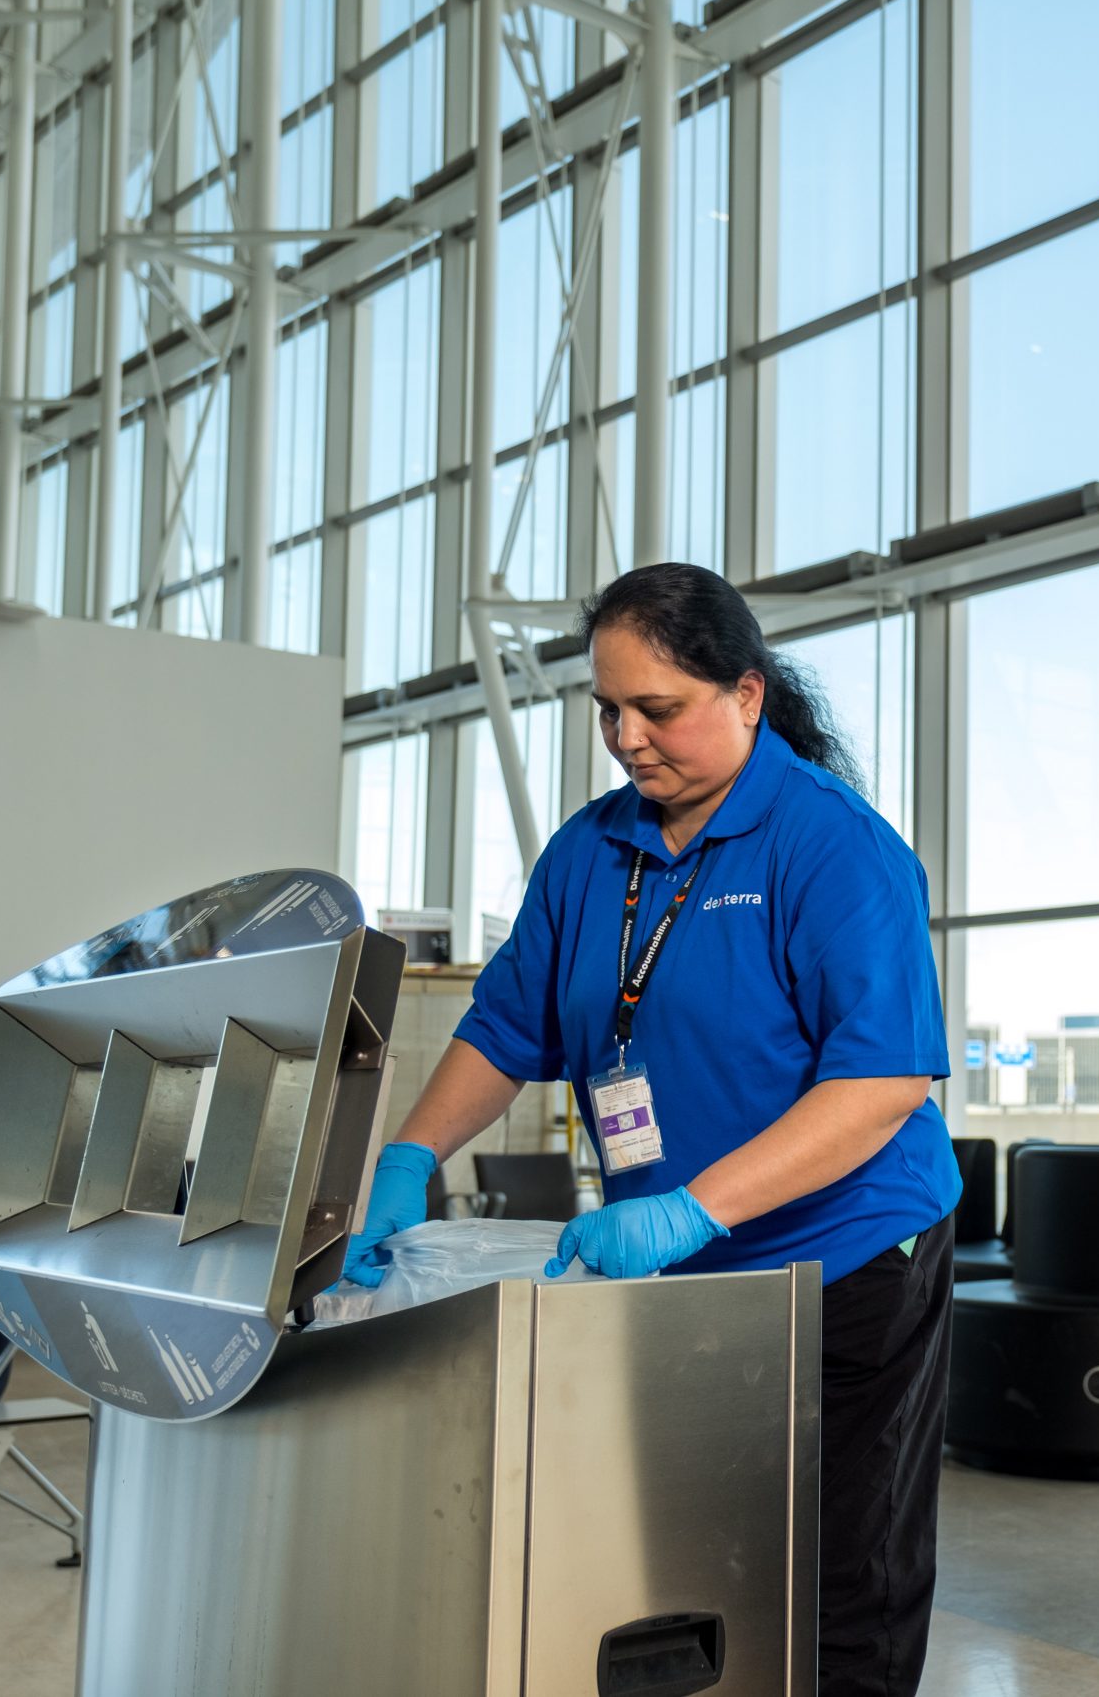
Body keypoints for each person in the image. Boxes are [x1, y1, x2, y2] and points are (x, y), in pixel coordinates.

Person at [339, 562, 962, 1696]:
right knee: (673, 1565)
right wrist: (408, 1157)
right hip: (676, 1278)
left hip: (846, 1263)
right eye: (607, 710)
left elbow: (882, 1084)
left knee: (838, 1581)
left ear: (747, 696)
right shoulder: (591, 851)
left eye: (659, 710)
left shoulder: (831, 847)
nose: (627, 738)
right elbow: (504, 1027)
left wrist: (690, 1208)